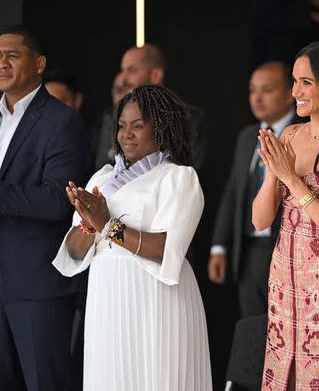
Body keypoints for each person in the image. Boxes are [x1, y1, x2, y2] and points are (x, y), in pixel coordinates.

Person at [53, 84, 212, 391]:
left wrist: (108, 225)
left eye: (138, 126)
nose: (126, 135)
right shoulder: (101, 178)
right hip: (107, 299)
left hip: (156, 300)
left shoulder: (178, 178)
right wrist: (88, 223)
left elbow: (167, 250)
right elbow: (73, 254)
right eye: (122, 126)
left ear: (161, 129)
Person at [0, 24, 86, 390]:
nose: (1, 63)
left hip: (39, 284)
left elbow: (59, 200)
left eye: (12, 54)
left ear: (39, 63)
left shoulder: (62, 121)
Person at [254, 41, 319, 389]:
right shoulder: (290, 135)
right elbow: (259, 220)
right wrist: (274, 173)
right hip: (285, 274)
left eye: (306, 83)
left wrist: (290, 178)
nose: (295, 92)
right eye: (294, 81)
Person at [208, 61, 301, 318]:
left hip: (286, 247)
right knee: (251, 327)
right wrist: (219, 246)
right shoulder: (248, 136)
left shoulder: (302, 133)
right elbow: (233, 193)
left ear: (288, 93)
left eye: (267, 90)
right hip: (248, 249)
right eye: (252, 90)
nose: (258, 98)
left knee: (284, 325)